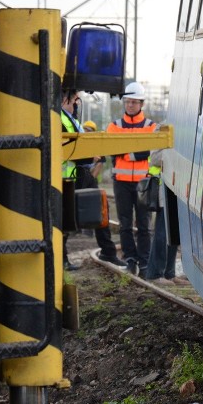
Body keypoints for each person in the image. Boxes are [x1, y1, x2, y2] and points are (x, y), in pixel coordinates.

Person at [61, 89, 126, 270]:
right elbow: (67, 148)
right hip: (68, 178)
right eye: (75, 99)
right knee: (65, 220)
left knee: (101, 211)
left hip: (82, 175)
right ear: (64, 99)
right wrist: (91, 157)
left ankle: (108, 252)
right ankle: (62, 260)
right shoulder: (59, 119)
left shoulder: (69, 118)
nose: (76, 103)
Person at [106, 82, 157, 277]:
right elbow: (111, 150)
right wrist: (136, 152)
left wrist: (129, 154)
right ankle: (130, 260)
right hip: (121, 182)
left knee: (144, 225)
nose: (130, 106)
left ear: (141, 104)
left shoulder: (151, 127)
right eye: (128, 102)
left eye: (134, 102)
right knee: (125, 224)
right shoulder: (114, 126)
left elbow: (152, 151)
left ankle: (144, 263)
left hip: (143, 183)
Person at [144, 148, 185, 286]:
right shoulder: (162, 129)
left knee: (173, 232)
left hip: (177, 190)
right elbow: (154, 159)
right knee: (161, 233)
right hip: (164, 192)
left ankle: (169, 273)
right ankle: (154, 273)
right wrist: (176, 155)